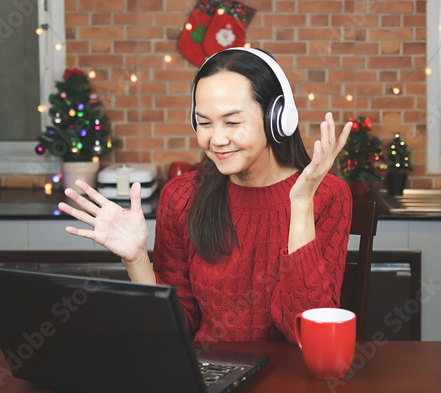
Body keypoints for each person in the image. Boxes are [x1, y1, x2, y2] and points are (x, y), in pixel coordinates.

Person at [58, 47, 353, 344]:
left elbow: (308, 335)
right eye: (205, 122)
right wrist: (136, 261)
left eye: (233, 122)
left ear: (278, 119)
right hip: (208, 374)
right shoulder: (181, 196)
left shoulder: (327, 195)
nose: (217, 140)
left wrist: (301, 203)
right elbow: (176, 328)